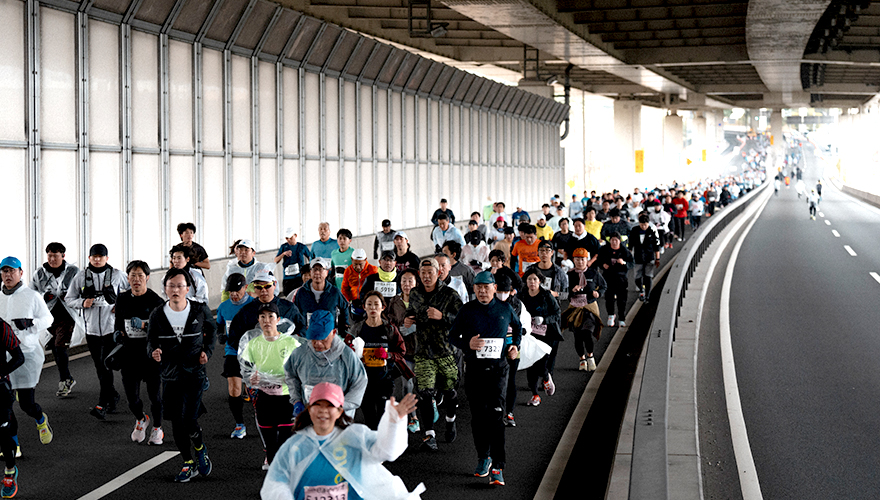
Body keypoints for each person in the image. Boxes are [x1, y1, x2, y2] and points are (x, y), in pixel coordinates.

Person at [261, 382, 423, 500]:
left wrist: (394, 422)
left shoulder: (355, 438)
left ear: (339, 411)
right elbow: (275, 484)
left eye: (330, 406)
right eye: (318, 405)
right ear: (309, 409)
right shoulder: (294, 447)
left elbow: (387, 451)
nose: (323, 411)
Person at [448, 271, 521, 487]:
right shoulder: (467, 310)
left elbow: (518, 328)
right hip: (475, 371)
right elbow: (453, 335)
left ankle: (498, 467)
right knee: (479, 417)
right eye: (478, 287)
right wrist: (466, 344)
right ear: (474, 290)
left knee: (497, 417)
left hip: (499, 370)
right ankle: (484, 457)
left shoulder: (505, 308)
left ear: (495, 289)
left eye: (486, 287)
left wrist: (515, 345)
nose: (482, 291)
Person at [147, 268, 216, 482]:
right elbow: (150, 341)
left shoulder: (199, 310)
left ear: (187, 289)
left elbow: (212, 331)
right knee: (176, 421)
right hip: (170, 376)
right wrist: (153, 352)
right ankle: (188, 462)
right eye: (171, 286)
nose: (175, 290)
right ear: (165, 289)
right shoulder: (158, 314)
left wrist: (207, 351)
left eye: (180, 286)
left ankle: (200, 447)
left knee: (189, 419)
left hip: (194, 374)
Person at [404, 258, 463, 451]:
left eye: (431, 272)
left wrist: (442, 316)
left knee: (449, 392)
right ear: (419, 275)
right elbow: (413, 312)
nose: (427, 276)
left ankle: (450, 419)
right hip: (423, 352)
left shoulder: (450, 294)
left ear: (439, 273)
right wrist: (408, 319)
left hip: (446, 351)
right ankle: (429, 435)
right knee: (425, 393)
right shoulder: (414, 293)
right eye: (423, 273)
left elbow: (462, 321)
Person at [65, 244, 129, 420]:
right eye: (94, 257)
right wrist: (82, 303)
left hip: (111, 329)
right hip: (91, 329)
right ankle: (112, 396)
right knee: (100, 366)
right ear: (89, 258)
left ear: (107, 258)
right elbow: (69, 299)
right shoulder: (81, 277)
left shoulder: (117, 275)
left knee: (106, 365)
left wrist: (120, 306)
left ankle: (102, 402)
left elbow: (133, 291)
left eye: (101, 256)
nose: (97, 259)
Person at [0, 256, 54, 451]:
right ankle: (13, 444)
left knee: (26, 404)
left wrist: (31, 324)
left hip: (26, 355)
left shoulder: (31, 296)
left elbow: (48, 319)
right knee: (5, 406)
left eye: (12, 271)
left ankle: (40, 418)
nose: (8, 275)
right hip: (4, 357)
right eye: (5, 271)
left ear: (21, 273)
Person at [238, 301, 301, 468]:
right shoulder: (253, 344)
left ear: (278, 319)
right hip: (264, 398)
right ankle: (274, 483)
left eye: (270, 316)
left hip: (287, 398)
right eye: (262, 317)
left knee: (284, 442)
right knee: (270, 446)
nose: (266, 320)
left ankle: (286, 478)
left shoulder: (290, 343)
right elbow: (246, 371)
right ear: (258, 320)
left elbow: (301, 369)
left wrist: (290, 378)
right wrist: (251, 379)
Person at [113, 260, 165, 444]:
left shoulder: (156, 301)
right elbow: (119, 321)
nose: (136, 279)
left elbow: (162, 329)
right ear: (127, 278)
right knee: (132, 398)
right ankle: (141, 419)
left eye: (140, 276)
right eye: (133, 276)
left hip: (150, 355)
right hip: (129, 354)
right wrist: (117, 332)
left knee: (155, 396)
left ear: (147, 278)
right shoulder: (123, 298)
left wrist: (144, 325)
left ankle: (158, 428)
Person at [283, 310, 367, 420]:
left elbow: (359, 382)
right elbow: (291, 375)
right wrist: (297, 400)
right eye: (314, 338)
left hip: (339, 417)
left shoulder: (347, 356)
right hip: (310, 414)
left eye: (323, 339)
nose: (318, 343)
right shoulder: (300, 354)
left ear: (333, 333)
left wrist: (340, 406)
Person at [348, 291, 409, 430]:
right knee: (369, 418)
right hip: (363, 380)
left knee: (382, 417)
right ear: (364, 307)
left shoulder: (390, 329)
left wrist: (388, 355)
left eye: (376, 304)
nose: (373, 308)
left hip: (385, 379)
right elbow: (347, 353)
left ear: (383, 307)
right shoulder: (357, 329)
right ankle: (372, 445)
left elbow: (401, 351)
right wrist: (356, 356)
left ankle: (382, 445)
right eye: (369, 304)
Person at [29, 242, 82, 397]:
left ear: (63, 256)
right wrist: (44, 296)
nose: (52, 259)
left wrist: (70, 296)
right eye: (49, 255)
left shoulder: (73, 271)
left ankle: (65, 380)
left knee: (60, 346)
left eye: (55, 255)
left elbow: (81, 289)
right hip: (48, 316)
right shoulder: (39, 273)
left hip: (67, 315)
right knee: (53, 347)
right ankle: (68, 378)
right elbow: (32, 293)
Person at [216, 273, 254, 439]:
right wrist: (220, 335)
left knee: (259, 391)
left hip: (253, 352)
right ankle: (239, 424)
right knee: (234, 389)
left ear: (245, 288)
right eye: (231, 291)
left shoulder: (254, 305)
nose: (234, 294)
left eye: (237, 290)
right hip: (232, 351)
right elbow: (218, 325)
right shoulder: (223, 307)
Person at [519, 268, 562, 407]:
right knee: (531, 363)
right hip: (530, 334)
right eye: (529, 279)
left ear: (540, 281)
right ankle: (535, 395)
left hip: (546, 334)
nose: (532, 282)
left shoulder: (546, 295)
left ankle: (545, 376)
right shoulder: (522, 295)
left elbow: (557, 313)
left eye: (535, 279)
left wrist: (544, 320)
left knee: (541, 362)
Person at [385, 268, 420, 433]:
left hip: (421, 349)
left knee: (425, 387)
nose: (407, 284)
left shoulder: (421, 300)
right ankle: (413, 418)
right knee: (407, 384)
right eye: (404, 281)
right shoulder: (394, 301)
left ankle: (431, 403)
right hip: (404, 351)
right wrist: (402, 328)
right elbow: (390, 323)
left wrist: (415, 326)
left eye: (410, 281)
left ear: (416, 282)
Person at [493, 275, 529, 428]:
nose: (502, 294)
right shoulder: (489, 303)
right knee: (495, 380)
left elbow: (523, 326)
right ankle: (496, 411)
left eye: (505, 291)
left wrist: (516, 344)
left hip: (512, 346)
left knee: (511, 379)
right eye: (499, 291)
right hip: (494, 347)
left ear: (512, 291)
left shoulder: (517, 305)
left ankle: (510, 412)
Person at [562, 248, 606, 371]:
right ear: (573, 260)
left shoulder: (593, 273)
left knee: (587, 333)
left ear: (587, 260)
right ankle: (581, 358)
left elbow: (603, 286)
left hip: (590, 306)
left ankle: (590, 356)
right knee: (578, 336)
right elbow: (564, 292)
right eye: (577, 259)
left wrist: (598, 293)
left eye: (582, 259)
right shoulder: (569, 275)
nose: (580, 262)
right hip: (575, 306)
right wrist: (572, 291)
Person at [289, 258, 349, 335]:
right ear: (311, 272)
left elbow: (345, 307)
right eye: (314, 269)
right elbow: (295, 313)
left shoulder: (334, 292)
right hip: (308, 337)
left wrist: (343, 328)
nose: (317, 272)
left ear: (326, 272)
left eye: (320, 269)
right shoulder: (301, 293)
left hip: (328, 336)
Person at [0, 318, 24, 499]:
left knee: (2, 433)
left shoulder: (1, 327)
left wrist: (1, 373)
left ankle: (9, 472)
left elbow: (18, 357)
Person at [596, 233, 633, 328]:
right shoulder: (604, 249)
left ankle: (621, 319)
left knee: (622, 299)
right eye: (612, 240)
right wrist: (603, 265)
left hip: (621, 278)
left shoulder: (624, 251)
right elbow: (599, 260)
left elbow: (631, 263)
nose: (614, 242)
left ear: (619, 241)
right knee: (609, 298)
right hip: (608, 277)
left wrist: (623, 263)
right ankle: (611, 315)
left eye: (616, 240)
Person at [628, 213, 661, 303]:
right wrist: (629, 257)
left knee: (648, 276)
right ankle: (641, 289)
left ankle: (648, 294)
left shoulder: (651, 231)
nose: (643, 226)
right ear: (639, 223)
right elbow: (630, 245)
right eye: (642, 225)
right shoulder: (634, 231)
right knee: (637, 277)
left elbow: (656, 246)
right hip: (638, 257)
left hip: (649, 257)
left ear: (648, 223)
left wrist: (657, 259)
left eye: (645, 225)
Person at [274, 228, 311, 296]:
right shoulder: (283, 247)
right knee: (287, 295)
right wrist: (283, 254)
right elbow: (275, 260)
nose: (289, 240)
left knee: (300, 295)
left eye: (290, 238)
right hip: (287, 277)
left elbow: (310, 258)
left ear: (295, 235)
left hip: (299, 277)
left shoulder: (302, 247)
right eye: (287, 238)